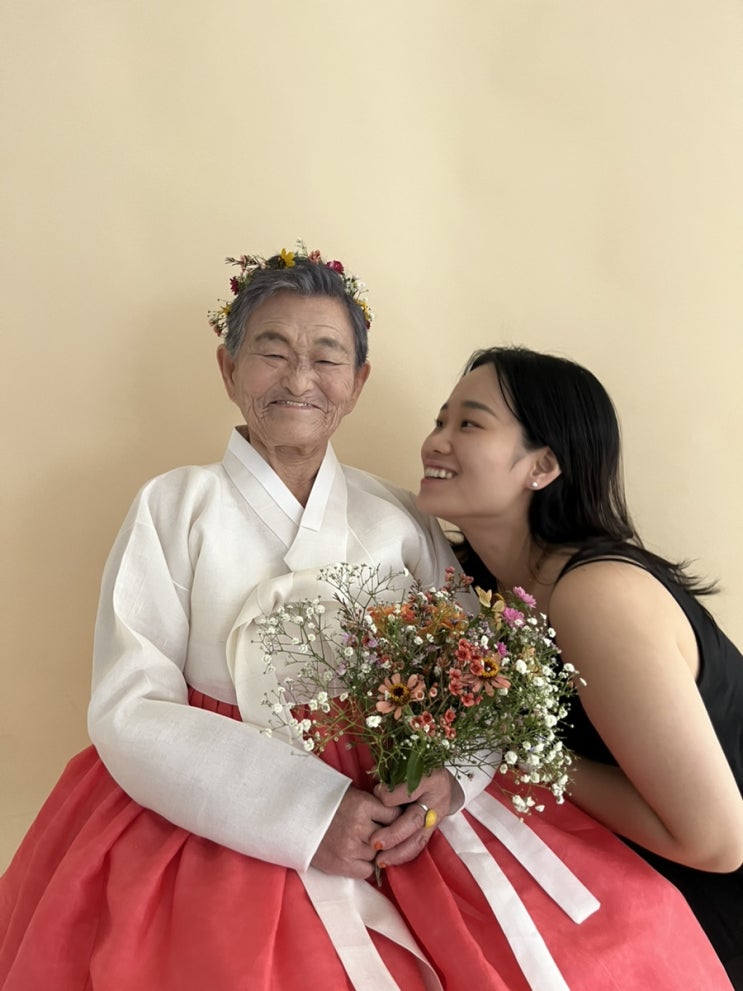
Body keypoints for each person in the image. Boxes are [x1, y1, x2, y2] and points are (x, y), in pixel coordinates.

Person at [0, 258, 733, 991]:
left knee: (595, 949)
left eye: (327, 357)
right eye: (271, 351)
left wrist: (448, 780)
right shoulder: (173, 505)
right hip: (226, 794)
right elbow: (131, 702)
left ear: (357, 382)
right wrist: (309, 812)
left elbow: (472, 673)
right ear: (228, 368)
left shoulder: (400, 515)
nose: (299, 377)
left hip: (402, 804)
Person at [417, 344, 743, 989]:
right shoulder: (480, 590)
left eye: (469, 423)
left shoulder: (597, 594)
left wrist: (515, 749)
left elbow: (718, 842)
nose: (435, 441)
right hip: (626, 904)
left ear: (542, 466)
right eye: (440, 420)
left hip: (711, 925)